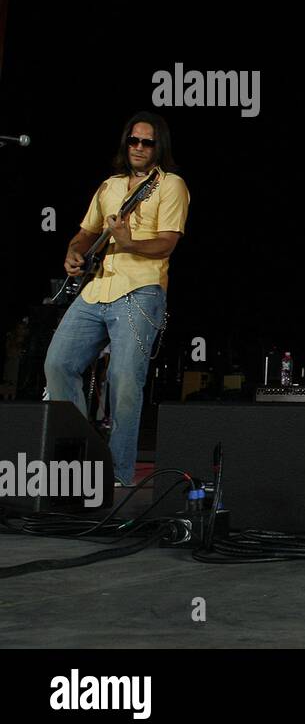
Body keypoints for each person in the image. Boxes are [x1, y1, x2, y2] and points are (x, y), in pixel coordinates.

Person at [44, 113, 190, 488]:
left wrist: (128, 243)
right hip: (96, 289)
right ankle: (85, 456)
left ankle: (118, 473)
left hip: (140, 290)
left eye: (147, 143)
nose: (139, 148)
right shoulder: (108, 186)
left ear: (160, 147)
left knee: (124, 380)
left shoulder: (170, 185)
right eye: (133, 141)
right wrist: (73, 253)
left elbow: (167, 242)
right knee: (58, 364)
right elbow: (85, 232)